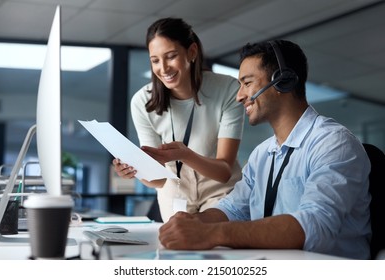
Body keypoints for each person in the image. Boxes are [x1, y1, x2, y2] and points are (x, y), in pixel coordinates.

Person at [158, 39, 372, 260]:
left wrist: (212, 233)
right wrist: (191, 223)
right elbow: (232, 209)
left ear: (283, 81)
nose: (239, 96)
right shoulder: (263, 154)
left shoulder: (333, 143)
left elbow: (315, 226)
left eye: (247, 83)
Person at [113, 18, 244, 222]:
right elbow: (157, 179)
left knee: (217, 244)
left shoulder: (228, 89)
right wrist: (135, 170)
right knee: (177, 249)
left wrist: (185, 155)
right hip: (176, 196)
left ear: (192, 52)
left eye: (171, 56)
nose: (163, 68)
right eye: (155, 60)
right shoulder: (142, 101)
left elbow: (224, 172)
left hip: (221, 192)